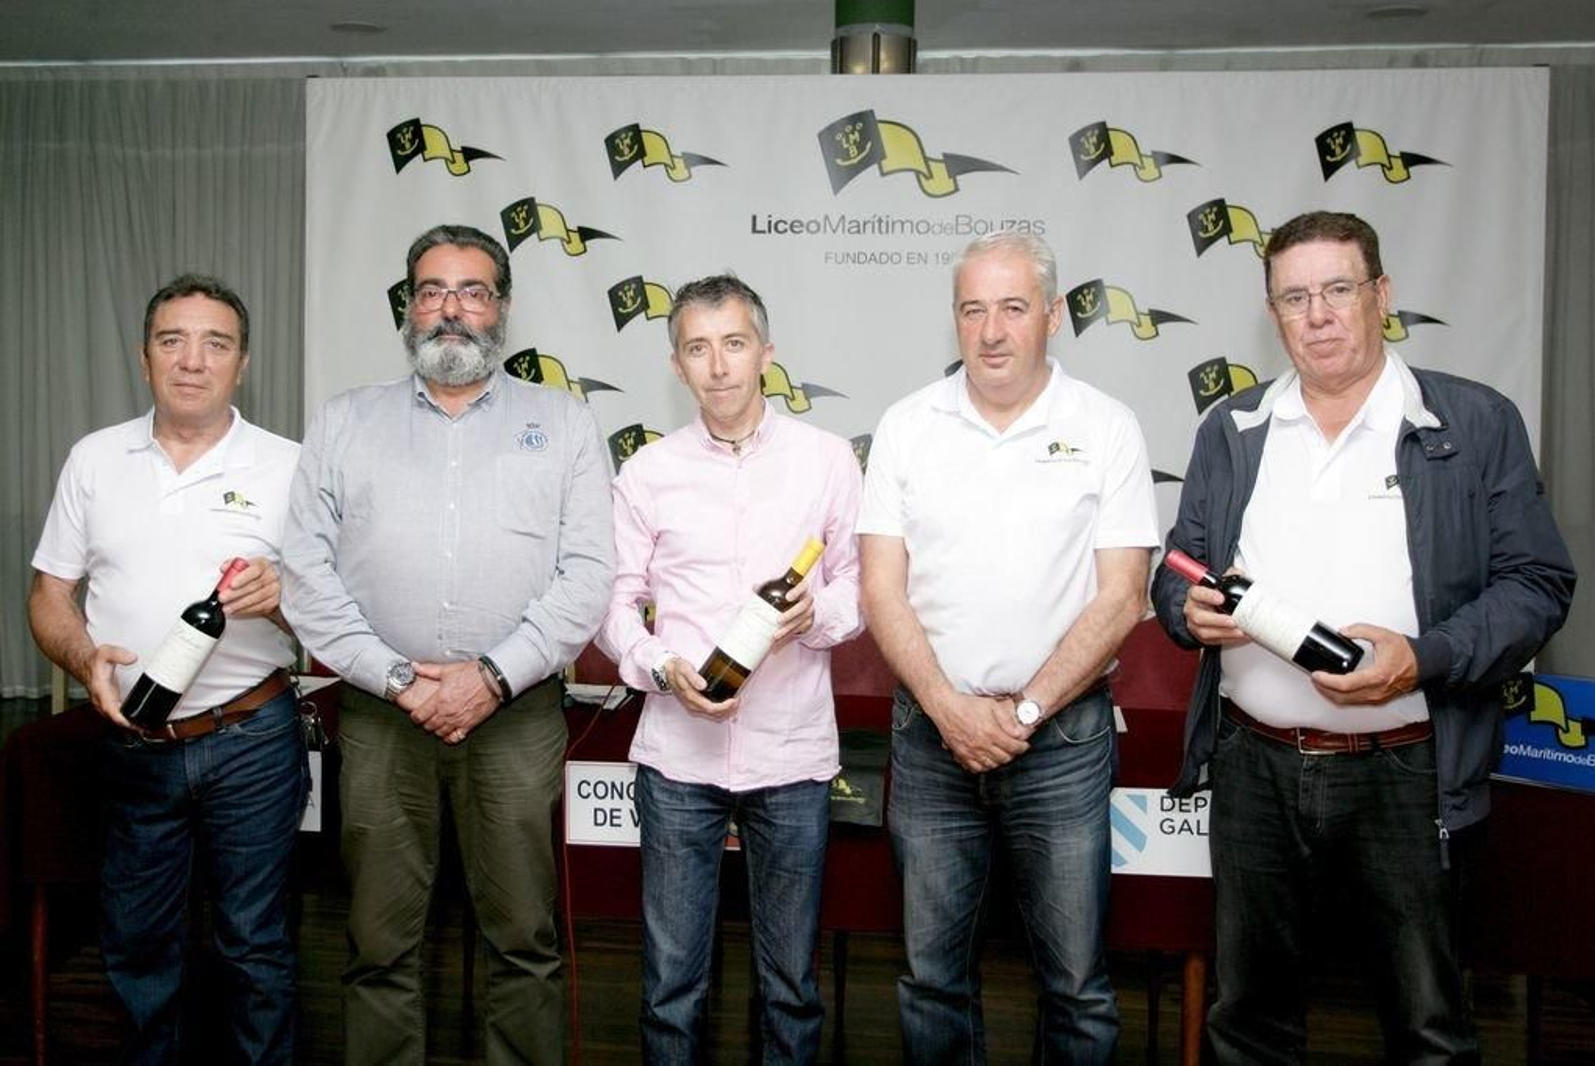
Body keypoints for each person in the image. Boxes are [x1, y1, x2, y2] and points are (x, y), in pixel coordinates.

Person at [1151, 210, 1576, 1063]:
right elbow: (1178, 565)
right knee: (1249, 1022)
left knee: (1427, 1029)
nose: (1317, 316)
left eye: (1338, 290)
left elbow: (1537, 583)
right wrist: (1184, 610)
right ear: (1272, 313)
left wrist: (1422, 658)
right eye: (1294, 298)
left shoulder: (1472, 422)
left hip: (1409, 775)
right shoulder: (1232, 429)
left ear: (1382, 294)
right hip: (1255, 769)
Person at [281, 224, 615, 1064]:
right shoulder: (344, 422)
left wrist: (491, 678)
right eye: (432, 291)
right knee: (377, 943)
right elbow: (305, 575)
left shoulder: (564, 423)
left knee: (524, 941)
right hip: (382, 717)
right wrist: (401, 680)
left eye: (472, 291)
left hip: (516, 718)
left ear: (502, 307)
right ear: (409, 306)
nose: (451, 309)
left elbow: (586, 577)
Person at [858, 231, 1158, 1062]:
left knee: (1076, 986)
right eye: (973, 310)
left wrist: (1021, 713)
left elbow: (1123, 595)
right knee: (931, 980)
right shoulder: (907, 426)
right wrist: (948, 708)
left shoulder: (1106, 427)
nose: (991, 331)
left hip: (1061, 742)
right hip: (931, 740)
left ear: (1053, 316)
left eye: (1013, 308)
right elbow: (880, 589)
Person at [28, 274, 306, 1063]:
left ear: (242, 364)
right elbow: (49, 594)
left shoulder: (291, 466)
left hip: (252, 740)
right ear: (143, 356)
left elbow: (332, 622)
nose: (192, 360)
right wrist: (85, 656)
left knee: (255, 946)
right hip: (135, 741)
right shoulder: (95, 459)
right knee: (139, 944)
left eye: (216, 344)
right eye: (172, 340)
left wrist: (283, 597)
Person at [595, 274, 862, 1062]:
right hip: (679, 757)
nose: (718, 367)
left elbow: (861, 585)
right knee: (671, 988)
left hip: (791, 753)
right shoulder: (647, 471)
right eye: (698, 348)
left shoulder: (826, 460)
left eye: (734, 345)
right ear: (676, 364)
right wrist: (659, 665)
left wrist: (818, 615)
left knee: (791, 987)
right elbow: (613, 603)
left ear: (766, 354)